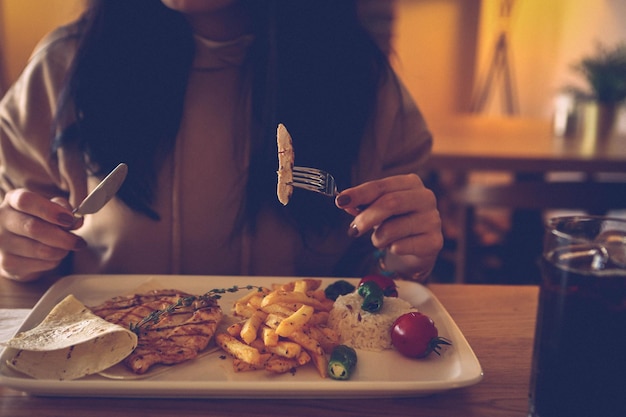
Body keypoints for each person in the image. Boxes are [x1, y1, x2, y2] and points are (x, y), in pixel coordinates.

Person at [0, 0, 442, 284]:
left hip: (304, 385)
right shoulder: (64, 66)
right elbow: (17, 228)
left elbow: (384, 276)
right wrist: (18, 247)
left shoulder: (357, 78)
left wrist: (404, 262)